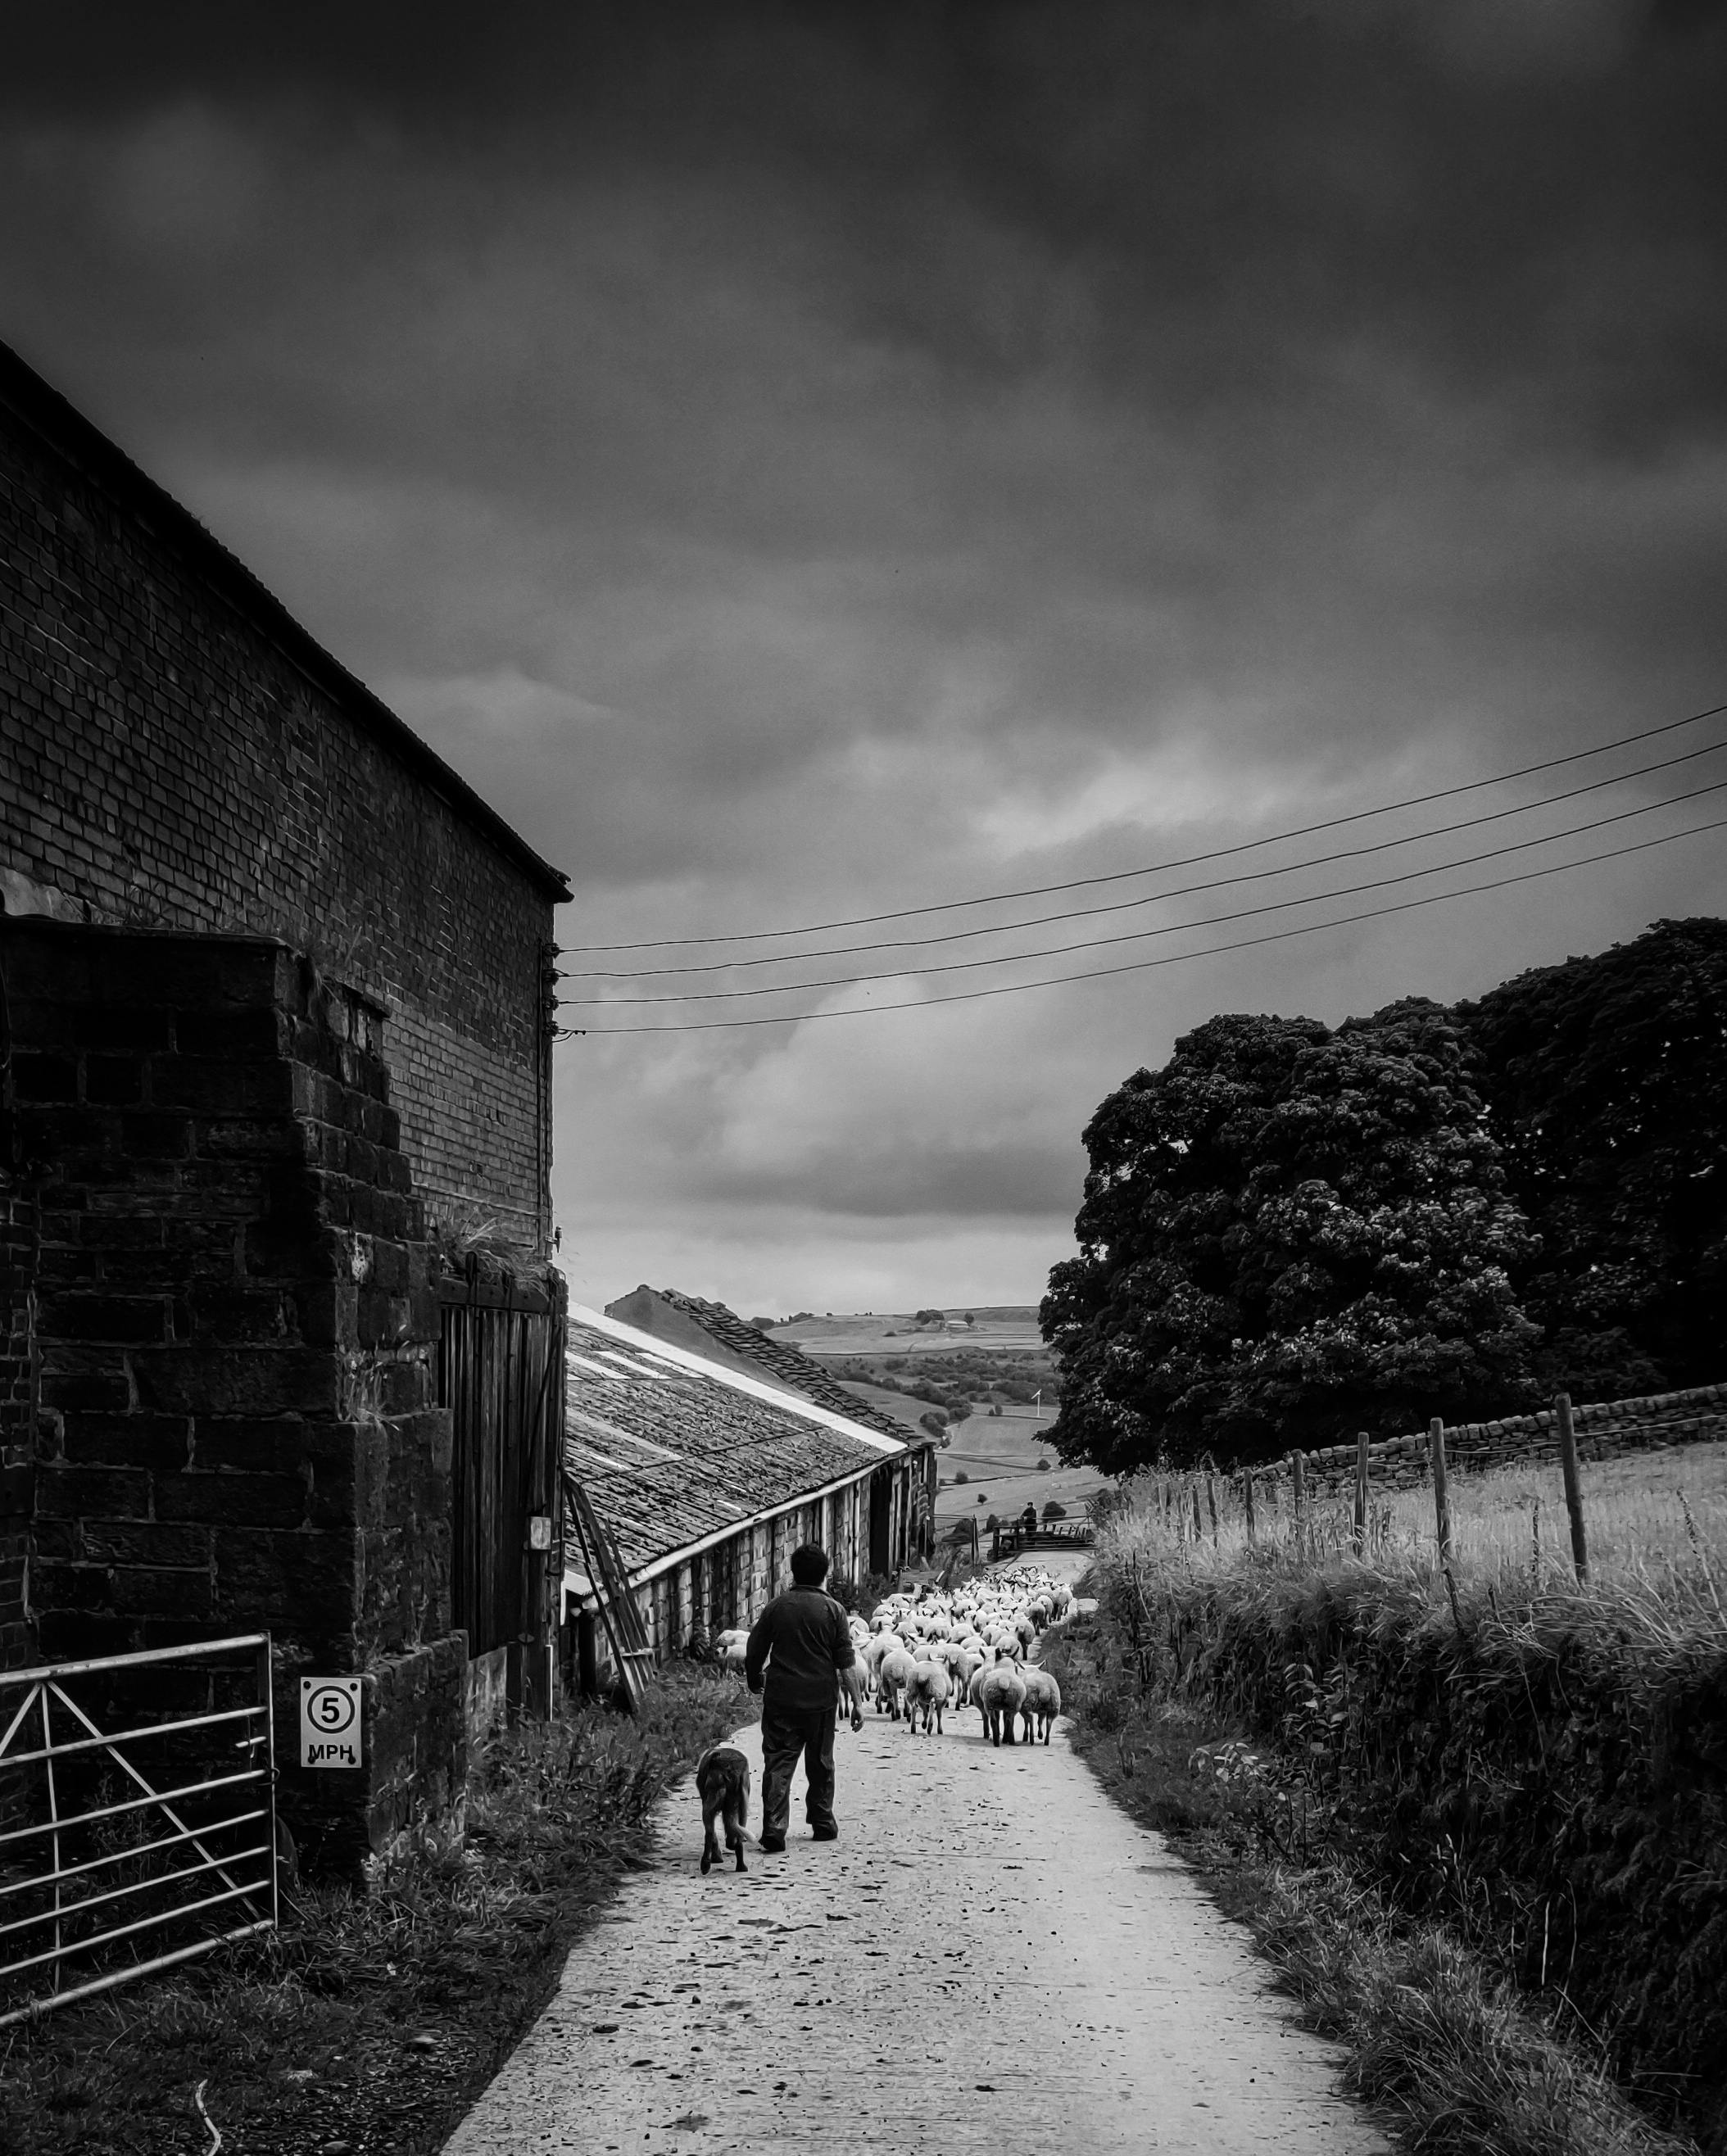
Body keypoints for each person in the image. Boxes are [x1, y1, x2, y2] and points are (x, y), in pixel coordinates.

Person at [745, 1542, 864, 1851]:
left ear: (793, 1573)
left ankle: (774, 1826)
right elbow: (846, 1662)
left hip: (782, 1696)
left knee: (779, 1762)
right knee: (821, 1761)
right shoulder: (834, 1610)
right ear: (825, 1574)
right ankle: (822, 1821)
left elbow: (756, 1647)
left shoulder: (777, 1606)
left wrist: (754, 1676)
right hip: (821, 1700)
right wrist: (857, 1703)